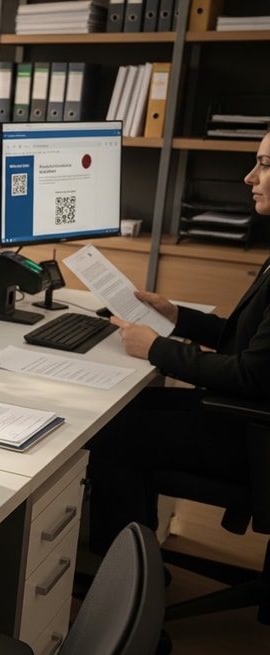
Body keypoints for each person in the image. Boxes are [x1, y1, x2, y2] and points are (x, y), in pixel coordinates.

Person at [85, 130, 270, 555]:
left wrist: (155, 348)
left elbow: (250, 373)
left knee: (111, 433)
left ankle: (124, 576)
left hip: (252, 437)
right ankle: (141, 557)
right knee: (125, 411)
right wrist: (177, 317)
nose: (249, 176)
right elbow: (252, 343)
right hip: (249, 417)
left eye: (264, 164)